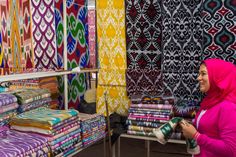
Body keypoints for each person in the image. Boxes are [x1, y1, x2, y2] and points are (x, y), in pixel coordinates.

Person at [180, 58, 236, 157]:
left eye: (203, 73)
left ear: (218, 77)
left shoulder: (228, 107)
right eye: (199, 74)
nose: (198, 78)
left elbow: (231, 150)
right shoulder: (210, 102)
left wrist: (196, 136)